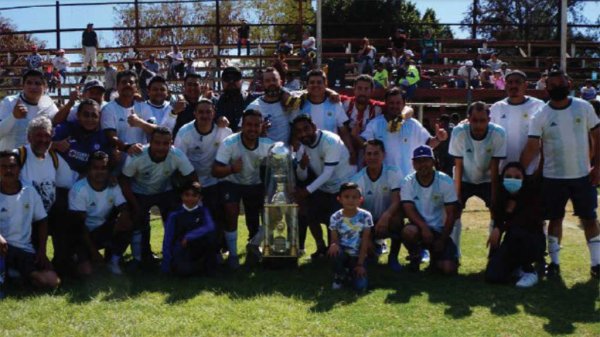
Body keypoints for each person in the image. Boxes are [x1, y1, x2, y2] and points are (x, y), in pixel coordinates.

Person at [521, 70, 600, 279]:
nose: (557, 87)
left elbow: (597, 136)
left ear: (570, 83)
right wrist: (518, 171)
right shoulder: (541, 115)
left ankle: (597, 263)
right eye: (552, 85)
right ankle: (554, 264)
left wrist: (598, 166)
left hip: (583, 175)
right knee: (554, 219)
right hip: (553, 177)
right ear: (546, 89)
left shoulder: (584, 107)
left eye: (560, 83)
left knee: (590, 219)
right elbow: (531, 147)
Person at [120, 127, 196, 268]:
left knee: (175, 220)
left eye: (165, 143)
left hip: (165, 191)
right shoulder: (137, 155)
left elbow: (192, 178)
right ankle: (140, 258)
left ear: (171, 143)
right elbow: (124, 181)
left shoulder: (177, 155)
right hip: (139, 192)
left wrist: (191, 200)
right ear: (150, 141)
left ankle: (173, 256)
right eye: (157, 143)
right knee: (137, 220)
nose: (161, 147)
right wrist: (134, 205)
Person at [211, 110, 274, 269]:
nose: (252, 129)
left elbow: (280, 169)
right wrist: (232, 168)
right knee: (231, 213)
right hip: (232, 182)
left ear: (261, 126)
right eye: (249, 125)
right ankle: (232, 256)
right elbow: (215, 170)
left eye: (256, 125)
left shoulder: (269, 145)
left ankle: (254, 245)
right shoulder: (229, 142)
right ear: (242, 125)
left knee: (272, 213)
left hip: (256, 184)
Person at [18, 116, 75, 275]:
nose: (43, 140)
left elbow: (70, 182)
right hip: (25, 220)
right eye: (38, 135)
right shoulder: (19, 156)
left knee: (66, 209)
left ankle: (64, 261)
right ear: (29, 137)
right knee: (35, 267)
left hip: (47, 216)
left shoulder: (54, 157)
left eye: (47, 136)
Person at [293, 115, 356, 259]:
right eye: (299, 131)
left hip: (344, 186)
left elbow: (328, 173)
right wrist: (302, 166)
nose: (303, 134)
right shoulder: (302, 147)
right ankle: (321, 247)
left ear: (314, 127)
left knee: (333, 220)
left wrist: (306, 191)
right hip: (324, 187)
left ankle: (337, 251)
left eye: (306, 129)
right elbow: (302, 176)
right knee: (309, 212)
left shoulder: (330, 140)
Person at [449, 101, 506, 256]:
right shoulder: (459, 132)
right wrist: (457, 196)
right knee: (454, 211)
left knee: (496, 211)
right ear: (468, 119)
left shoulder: (498, 133)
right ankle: (454, 253)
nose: (478, 125)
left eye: (482, 120)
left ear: (489, 120)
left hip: (488, 179)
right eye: (474, 120)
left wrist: (494, 199)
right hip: (465, 177)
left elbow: (495, 169)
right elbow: (458, 166)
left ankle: (493, 253)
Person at [0, 151, 60, 291]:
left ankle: (15, 275)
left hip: (23, 250)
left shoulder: (30, 191)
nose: (8, 170)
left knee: (52, 281)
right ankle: (15, 276)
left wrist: (42, 251)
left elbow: (42, 220)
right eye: (3, 166)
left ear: (19, 169)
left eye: (12, 166)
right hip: (1, 247)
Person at [174, 98, 231, 239]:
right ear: (194, 113)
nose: (204, 115)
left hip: (215, 181)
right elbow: (178, 161)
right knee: (191, 219)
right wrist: (191, 185)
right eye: (201, 112)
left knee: (217, 216)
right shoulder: (184, 132)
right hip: (190, 182)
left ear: (214, 113)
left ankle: (218, 249)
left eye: (208, 112)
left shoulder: (224, 131)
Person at [360, 87, 447, 179]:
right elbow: (363, 144)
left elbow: (428, 144)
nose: (395, 106)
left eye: (398, 103)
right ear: (386, 103)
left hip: (409, 181)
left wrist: (438, 138)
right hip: (385, 181)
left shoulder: (413, 124)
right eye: (391, 103)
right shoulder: (375, 124)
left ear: (404, 104)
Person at [68, 151, 132, 276]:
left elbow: (124, 208)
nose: (100, 172)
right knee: (87, 273)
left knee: (128, 221)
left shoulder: (113, 185)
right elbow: (79, 226)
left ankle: (113, 261)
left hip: (101, 230)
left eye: (103, 168)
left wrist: (123, 217)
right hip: (81, 235)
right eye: (95, 168)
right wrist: (94, 253)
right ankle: (77, 258)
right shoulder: (79, 189)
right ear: (88, 169)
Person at [485, 162, 545, 288]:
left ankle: (529, 271)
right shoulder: (501, 198)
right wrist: (494, 257)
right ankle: (517, 268)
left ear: (524, 179)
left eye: (517, 177)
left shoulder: (532, 196)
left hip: (531, 242)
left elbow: (524, 222)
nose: (513, 180)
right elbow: (497, 227)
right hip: (512, 244)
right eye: (508, 176)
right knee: (493, 275)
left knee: (516, 232)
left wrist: (501, 226)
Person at [400, 146, 459, 274]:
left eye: (426, 160)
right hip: (419, 230)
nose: (422, 165)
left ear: (433, 161)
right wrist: (424, 227)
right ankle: (415, 255)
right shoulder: (408, 182)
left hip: (440, 231)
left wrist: (443, 239)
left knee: (448, 270)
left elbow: (451, 214)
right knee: (408, 231)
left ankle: (436, 259)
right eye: (418, 161)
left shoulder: (445, 181)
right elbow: (408, 209)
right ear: (413, 164)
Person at [350, 139, 403, 271]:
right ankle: (372, 247)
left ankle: (393, 257)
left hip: (388, 218)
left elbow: (397, 200)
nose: (372, 157)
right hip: (368, 222)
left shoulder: (394, 172)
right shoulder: (357, 179)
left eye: (376, 153)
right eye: (369, 154)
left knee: (398, 218)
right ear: (364, 156)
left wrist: (386, 216)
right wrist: (366, 234)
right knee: (370, 260)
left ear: (383, 155)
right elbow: (356, 211)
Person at [292, 69, 356, 164]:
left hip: (330, 155)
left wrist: (351, 151)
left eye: (319, 82)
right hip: (308, 158)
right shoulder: (300, 104)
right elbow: (294, 133)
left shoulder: (335, 104)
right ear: (307, 85)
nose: (315, 85)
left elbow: (344, 131)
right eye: (312, 82)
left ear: (325, 84)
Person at [490, 70, 545, 176]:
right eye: (510, 82)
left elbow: (543, 142)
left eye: (517, 82)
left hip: (530, 173)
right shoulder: (496, 107)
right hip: (502, 172)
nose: (513, 85)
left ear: (526, 85)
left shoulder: (538, 106)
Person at [161, 181, 218, 276]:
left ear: (200, 198)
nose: (190, 198)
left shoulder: (204, 211)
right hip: (181, 249)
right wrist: (166, 263)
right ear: (181, 196)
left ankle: (208, 264)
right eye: (187, 195)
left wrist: (189, 236)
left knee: (212, 235)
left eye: (194, 195)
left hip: (199, 247)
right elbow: (168, 238)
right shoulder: (174, 214)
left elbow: (210, 226)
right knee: (184, 271)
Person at [101, 70, 155, 161]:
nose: (128, 85)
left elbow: (154, 130)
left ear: (136, 87)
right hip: (120, 162)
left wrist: (140, 123)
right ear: (117, 86)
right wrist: (128, 147)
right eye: (124, 82)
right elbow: (111, 137)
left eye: (131, 82)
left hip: (142, 160)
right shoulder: (108, 109)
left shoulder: (144, 107)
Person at [328, 182, 372, 292]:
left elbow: (365, 241)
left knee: (360, 287)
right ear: (339, 199)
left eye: (354, 197)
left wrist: (360, 264)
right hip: (343, 254)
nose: (350, 200)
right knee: (334, 250)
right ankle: (340, 275)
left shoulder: (366, 216)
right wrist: (333, 245)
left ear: (360, 200)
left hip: (358, 256)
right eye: (346, 197)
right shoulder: (335, 217)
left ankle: (353, 271)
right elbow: (334, 240)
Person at [0, 69, 59, 151]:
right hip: (10, 160)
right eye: (29, 83)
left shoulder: (49, 105)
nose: (33, 87)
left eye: (38, 83)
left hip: (36, 160)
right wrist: (13, 117)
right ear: (23, 86)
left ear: (45, 87)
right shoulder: (9, 102)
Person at [52, 99, 114, 175]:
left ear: (99, 116)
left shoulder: (103, 138)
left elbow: (105, 166)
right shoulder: (65, 129)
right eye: (86, 115)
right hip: (59, 179)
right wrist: (55, 145)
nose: (90, 119)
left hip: (85, 181)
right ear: (78, 115)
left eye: (94, 116)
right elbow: (39, 144)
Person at [245, 67, 292, 143]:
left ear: (281, 82)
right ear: (262, 84)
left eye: (274, 80)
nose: (271, 83)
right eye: (267, 81)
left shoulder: (290, 103)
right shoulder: (253, 107)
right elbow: (242, 134)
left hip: (285, 152)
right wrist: (258, 131)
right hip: (262, 153)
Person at [215, 67, 258, 134]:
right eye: (227, 78)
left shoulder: (253, 99)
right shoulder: (216, 103)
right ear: (222, 82)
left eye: (236, 78)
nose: (231, 81)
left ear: (242, 81)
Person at [172, 73, 205, 137]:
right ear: (184, 86)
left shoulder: (209, 103)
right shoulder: (175, 102)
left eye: (195, 85)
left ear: (201, 86)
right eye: (189, 85)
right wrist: (174, 112)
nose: (192, 88)